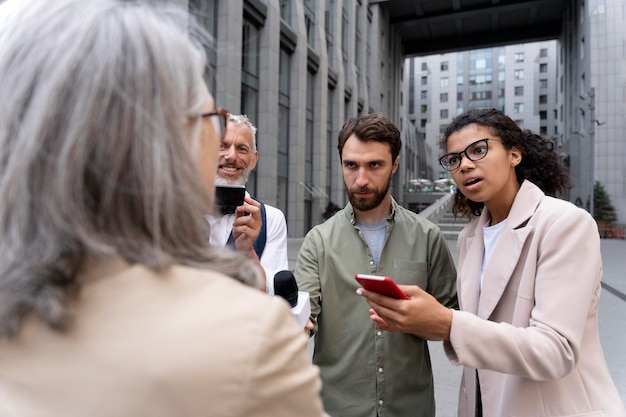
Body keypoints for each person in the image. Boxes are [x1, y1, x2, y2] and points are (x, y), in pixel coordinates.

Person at [0, 1, 328, 416]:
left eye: (240, 147)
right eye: (211, 122)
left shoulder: (269, 223)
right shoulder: (254, 344)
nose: (225, 155)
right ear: (163, 142)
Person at [359, 108, 626, 417]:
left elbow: (555, 350)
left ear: (514, 153)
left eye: (479, 150)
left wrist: (448, 323)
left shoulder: (564, 224)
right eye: (455, 159)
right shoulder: (470, 238)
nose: (466, 165)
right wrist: (422, 320)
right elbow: (478, 329)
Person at [295, 113, 458, 417]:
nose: (361, 180)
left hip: (411, 408)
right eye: (351, 165)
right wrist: (294, 327)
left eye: (375, 165)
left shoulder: (428, 237)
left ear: (394, 164)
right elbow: (304, 315)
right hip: (336, 408)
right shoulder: (318, 242)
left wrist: (424, 319)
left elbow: (454, 324)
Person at [205, 114, 289, 295]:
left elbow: (271, 298)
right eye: (222, 146)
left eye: (242, 149)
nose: (231, 156)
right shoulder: (179, 212)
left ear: (253, 159)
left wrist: (248, 251)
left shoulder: (272, 219)